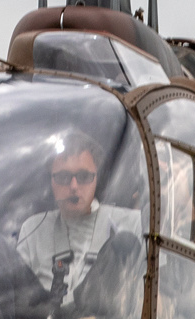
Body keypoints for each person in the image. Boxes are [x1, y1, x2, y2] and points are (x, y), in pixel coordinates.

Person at [17, 130, 143, 305]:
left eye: (84, 177)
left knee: (124, 241)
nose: (74, 186)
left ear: (97, 179)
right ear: (51, 181)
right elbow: (14, 298)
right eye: (63, 177)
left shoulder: (133, 224)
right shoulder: (32, 229)